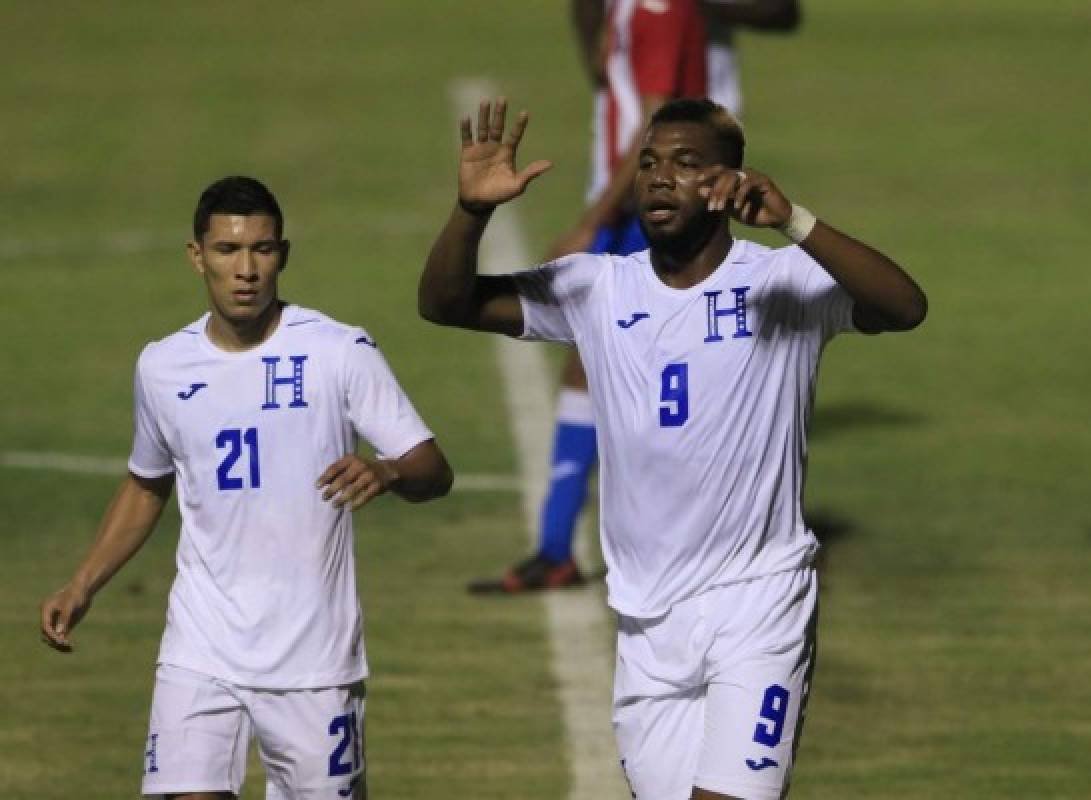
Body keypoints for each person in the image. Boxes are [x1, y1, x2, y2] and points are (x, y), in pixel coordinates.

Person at [421, 98, 926, 798]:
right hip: (647, 627)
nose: (659, 178)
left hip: (757, 608)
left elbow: (905, 306)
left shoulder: (780, 281)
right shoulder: (597, 287)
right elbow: (446, 304)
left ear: (729, 185)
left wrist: (794, 222)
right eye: (650, 163)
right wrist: (471, 211)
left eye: (686, 165)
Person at [40, 176, 453, 800]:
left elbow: (433, 468)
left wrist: (388, 471)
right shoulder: (162, 366)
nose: (246, 270)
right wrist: (82, 583)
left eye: (261, 250)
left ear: (282, 255)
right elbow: (146, 484)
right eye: (229, 250)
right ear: (196, 255)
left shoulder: (336, 351)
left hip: (313, 659)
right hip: (201, 645)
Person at [485, 0, 802, 593]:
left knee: (641, 364)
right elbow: (608, 69)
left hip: (646, 203)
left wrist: (591, 220)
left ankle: (601, 544)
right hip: (632, 194)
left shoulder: (661, 9)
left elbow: (656, 113)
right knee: (589, 365)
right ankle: (557, 544)